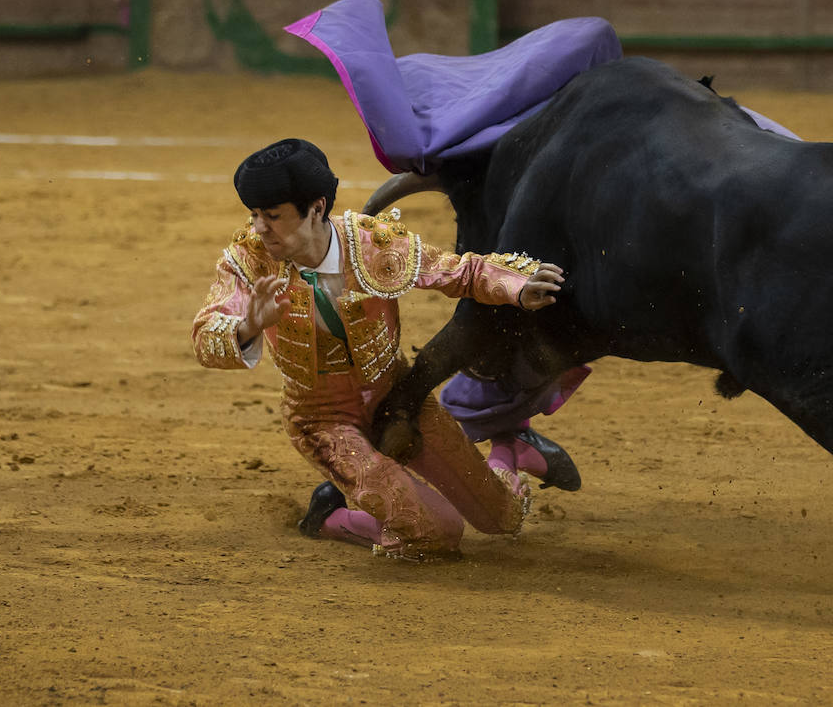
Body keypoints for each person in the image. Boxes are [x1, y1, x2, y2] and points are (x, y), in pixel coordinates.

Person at [192, 139, 570, 559]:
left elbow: (457, 272)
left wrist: (518, 286)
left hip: (397, 399)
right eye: (255, 214)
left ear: (316, 208)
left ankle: (509, 449)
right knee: (437, 534)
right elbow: (206, 336)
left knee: (503, 519)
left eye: (273, 215)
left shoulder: (372, 243)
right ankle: (331, 518)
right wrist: (249, 324)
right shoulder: (247, 259)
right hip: (323, 420)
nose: (260, 227)